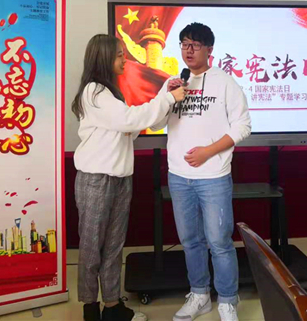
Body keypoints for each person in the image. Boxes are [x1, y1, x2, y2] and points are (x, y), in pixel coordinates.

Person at [72, 34, 186, 321]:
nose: (125, 59)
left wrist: (165, 94)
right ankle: (90, 307)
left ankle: (112, 306)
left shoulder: (112, 95)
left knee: (113, 246)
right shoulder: (94, 91)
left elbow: (136, 126)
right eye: (119, 54)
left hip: (120, 177)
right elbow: (130, 120)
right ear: (103, 58)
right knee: (92, 248)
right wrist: (166, 98)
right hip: (96, 179)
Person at [150, 23, 251, 321]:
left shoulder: (225, 83)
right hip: (179, 176)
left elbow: (243, 126)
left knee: (219, 241)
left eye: (195, 45)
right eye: (184, 44)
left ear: (209, 50)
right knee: (190, 241)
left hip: (213, 177)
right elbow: (155, 124)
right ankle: (199, 295)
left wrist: (208, 151)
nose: (188, 50)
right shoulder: (173, 83)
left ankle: (228, 300)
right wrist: (168, 98)